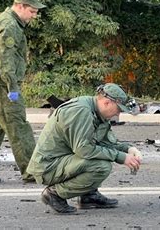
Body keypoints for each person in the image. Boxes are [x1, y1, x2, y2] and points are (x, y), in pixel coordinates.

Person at [27, 83, 143, 214]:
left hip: (63, 160)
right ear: (107, 103)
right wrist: (120, 157)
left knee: (100, 156)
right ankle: (54, 194)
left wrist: (128, 150)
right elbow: (84, 149)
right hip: (47, 167)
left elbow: (105, 142)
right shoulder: (81, 111)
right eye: (118, 109)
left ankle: (88, 196)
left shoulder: (98, 112)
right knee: (101, 166)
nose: (118, 114)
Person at [0, 0, 46, 184]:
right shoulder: (9, 25)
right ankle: (32, 172)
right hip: (2, 87)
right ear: (20, 6)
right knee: (19, 128)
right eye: (32, 11)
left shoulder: (3, 20)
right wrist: (12, 88)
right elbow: (6, 60)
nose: (34, 15)